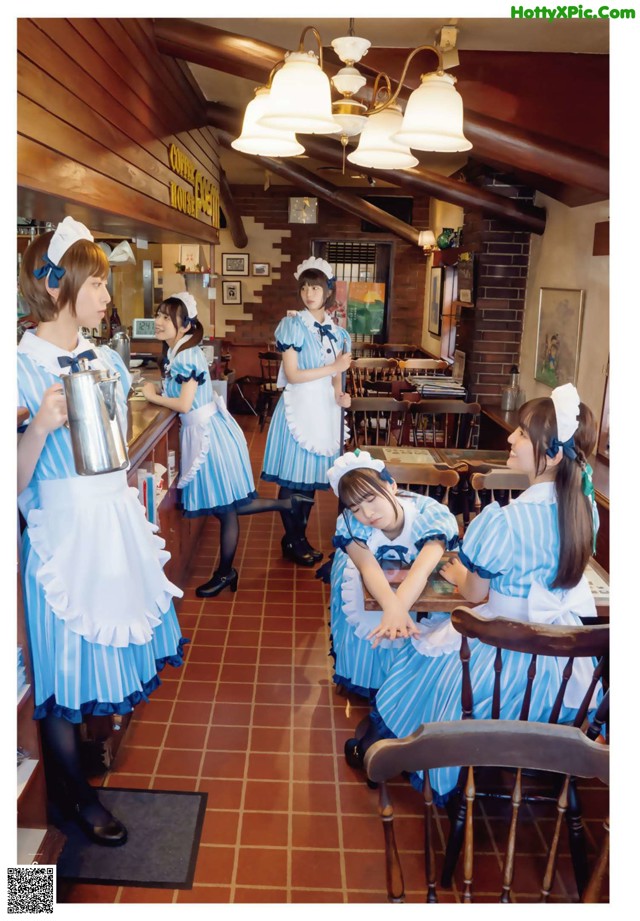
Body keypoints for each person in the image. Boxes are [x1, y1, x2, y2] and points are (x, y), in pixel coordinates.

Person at [17, 217, 187, 847]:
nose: (108, 298)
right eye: (98, 285)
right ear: (59, 287)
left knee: (94, 653)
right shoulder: (18, 368)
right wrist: (37, 427)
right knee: (62, 670)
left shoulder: (104, 358)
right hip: (61, 531)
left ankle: (74, 776)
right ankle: (72, 801)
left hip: (109, 516)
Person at [346, 384, 601, 801]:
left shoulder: (502, 522)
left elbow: (475, 592)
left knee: (421, 668)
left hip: (502, 666)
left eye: (522, 433)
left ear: (551, 453)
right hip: (562, 672)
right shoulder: (585, 509)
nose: (511, 438)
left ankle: (384, 751)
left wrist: (460, 570)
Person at [142, 293, 310, 598]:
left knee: (226, 508)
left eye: (166, 317)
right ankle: (288, 505)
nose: (158, 322)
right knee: (229, 506)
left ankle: (226, 571)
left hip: (210, 438)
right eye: (158, 315)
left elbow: (184, 402)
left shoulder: (187, 356)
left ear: (185, 324)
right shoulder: (180, 353)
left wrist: (152, 395)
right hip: (209, 432)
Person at [326, 451, 459, 704]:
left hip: (421, 575)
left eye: (371, 499)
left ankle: (412, 680)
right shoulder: (350, 524)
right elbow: (368, 568)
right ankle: (369, 678)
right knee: (358, 595)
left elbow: (422, 568)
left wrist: (397, 609)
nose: (367, 513)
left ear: (391, 486)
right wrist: (392, 607)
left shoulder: (430, 514)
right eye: (356, 507)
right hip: (371, 570)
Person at [261, 257, 352, 566]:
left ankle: (297, 538)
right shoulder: (292, 325)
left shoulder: (337, 332)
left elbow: (338, 375)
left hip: (324, 411)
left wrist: (341, 394)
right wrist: (334, 368)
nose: (309, 293)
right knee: (291, 479)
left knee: (309, 480)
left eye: (315, 287)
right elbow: (294, 374)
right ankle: (294, 539)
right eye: (304, 287)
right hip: (297, 408)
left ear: (327, 292)